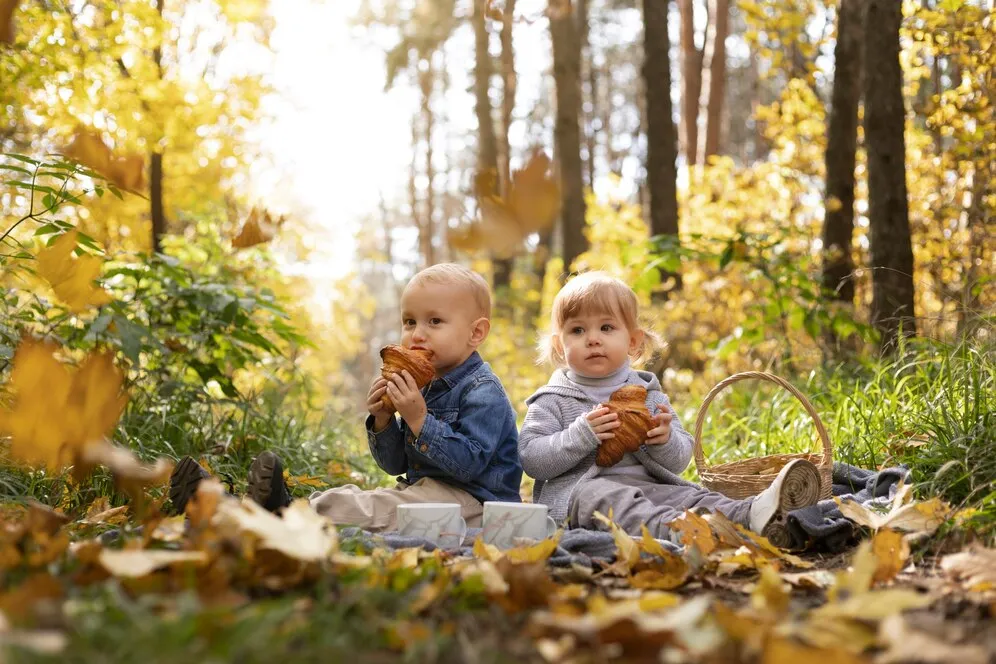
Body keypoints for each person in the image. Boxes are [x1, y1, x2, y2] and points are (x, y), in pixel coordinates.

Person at [169, 263, 522, 531]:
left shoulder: (482, 390)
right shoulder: (423, 383)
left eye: (434, 322)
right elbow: (396, 466)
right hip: (428, 493)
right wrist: (384, 422)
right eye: (410, 321)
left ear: (476, 332)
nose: (417, 334)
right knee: (357, 496)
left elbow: (470, 464)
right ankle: (244, 509)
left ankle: (275, 514)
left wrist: (418, 420)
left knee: (376, 507)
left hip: (478, 506)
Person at [518, 271, 821, 547]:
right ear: (559, 346)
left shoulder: (648, 396)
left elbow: (679, 460)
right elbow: (532, 458)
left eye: (606, 327)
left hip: (650, 487)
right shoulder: (552, 399)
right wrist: (579, 435)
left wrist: (664, 440)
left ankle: (750, 515)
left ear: (634, 342)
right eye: (578, 330)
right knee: (602, 498)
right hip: (582, 494)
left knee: (690, 494)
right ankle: (679, 533)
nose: (593, 339)